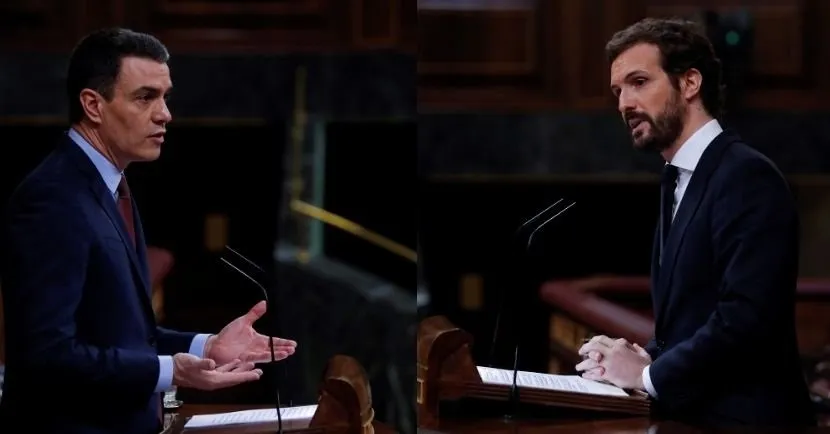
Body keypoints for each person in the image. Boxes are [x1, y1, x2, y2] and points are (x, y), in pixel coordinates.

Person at [0, 28, 297, 434]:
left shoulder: (110, 183)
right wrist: (173, 371)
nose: (165, 114)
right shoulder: (52, 199)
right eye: (145, 97)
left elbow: (120, 333)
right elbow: (46, 356)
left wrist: (205, 347)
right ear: (93, 105)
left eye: (165, 96)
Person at [575, 18, 815, 427]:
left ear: (689, 83)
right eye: (618, 91)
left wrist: (648, 375)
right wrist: (641, 355)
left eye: (638, 82)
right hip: (696, 416)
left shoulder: (745, 176)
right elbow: (691, 316)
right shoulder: (678, 179)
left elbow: (747, 318)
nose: (624, 104)